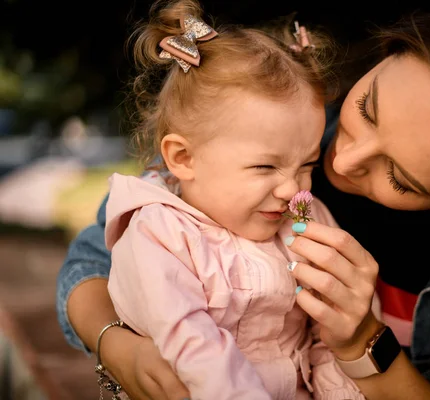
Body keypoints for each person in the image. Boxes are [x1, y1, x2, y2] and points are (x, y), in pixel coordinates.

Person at [56, 6, 430, 400]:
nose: (339, 163)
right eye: (368, 107)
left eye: (400, 178)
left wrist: (362, 340)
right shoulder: (273, 121)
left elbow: (317, 350)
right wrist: (118, 349)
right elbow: (93, 261)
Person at [66, 0, 366, 399]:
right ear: (183, 158)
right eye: (264, 167)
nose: (293, 189)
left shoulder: (305, 217)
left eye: (307, 164)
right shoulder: (159, 234)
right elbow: (196, 349)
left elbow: (327, 337)